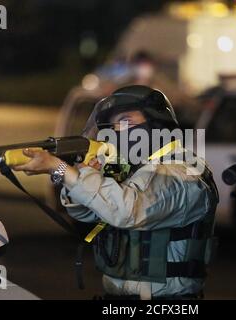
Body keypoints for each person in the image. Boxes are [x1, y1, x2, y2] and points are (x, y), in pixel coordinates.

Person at [12, 85, 219, 300]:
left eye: (126, 121)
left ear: (155, 122)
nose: (116, 131)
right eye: (112, 125)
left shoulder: (182, 173)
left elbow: (126, 210)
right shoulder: (135, 168)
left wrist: (60, 169)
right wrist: (85, 174)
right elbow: (87, 212)